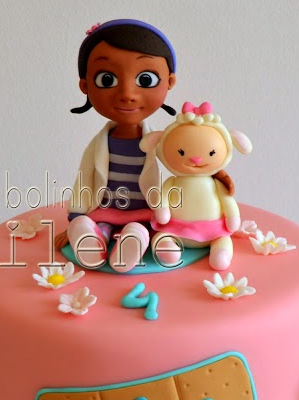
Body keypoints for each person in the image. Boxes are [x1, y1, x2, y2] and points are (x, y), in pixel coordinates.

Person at [56, 19, 234, 272]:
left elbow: (186, 163)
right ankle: (89, 239)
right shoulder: (97, 146)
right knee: (85, 226)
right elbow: (84, 180)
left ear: (169, 81)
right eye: (107, 79)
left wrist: (214, 173)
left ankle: (132, 243)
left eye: (145, 79)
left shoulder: (160, 144)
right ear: (85, 85)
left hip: (144, 214)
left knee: (137, 230)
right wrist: (76, 216)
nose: (127, 93)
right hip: (103, 211)